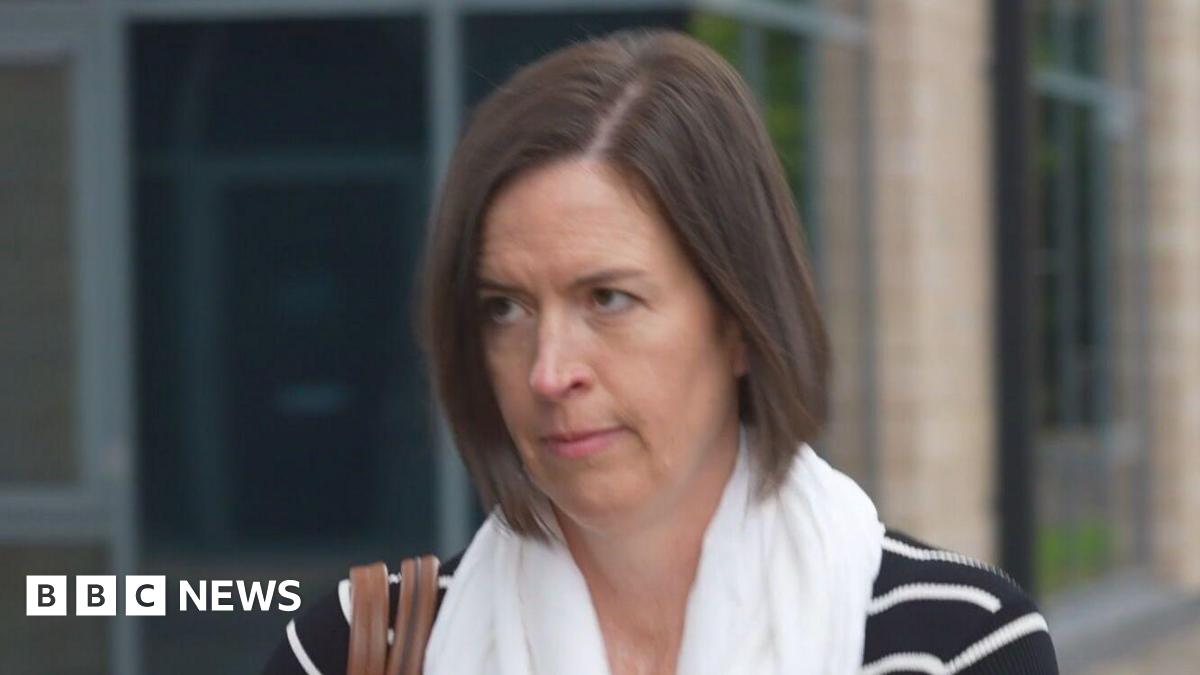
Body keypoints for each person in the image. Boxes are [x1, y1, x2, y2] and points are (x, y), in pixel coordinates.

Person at [263, 29, 1058, 674]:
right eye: (505, 308)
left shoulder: (956, 645)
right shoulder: (362, 648)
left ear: (740, 321)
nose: (549, 372)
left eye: (608, 298)